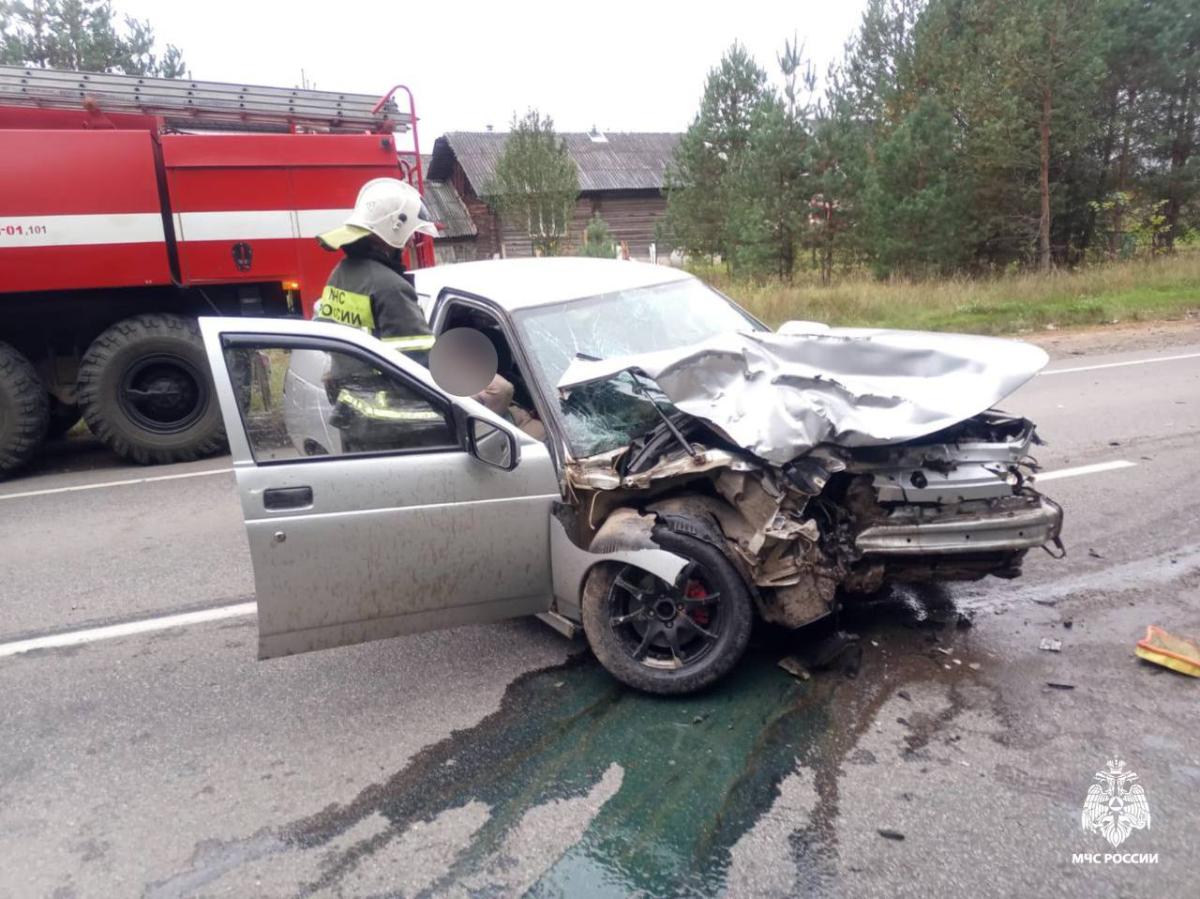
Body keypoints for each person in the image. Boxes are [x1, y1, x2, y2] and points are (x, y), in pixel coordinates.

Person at [313, 178, 440, 451]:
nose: (410, 243)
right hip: (391, 426)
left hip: (352, 414)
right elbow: (419, 364)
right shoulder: (390, 287)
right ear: (393, 229)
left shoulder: (341, 273)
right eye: (409, 234)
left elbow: (323, 328)